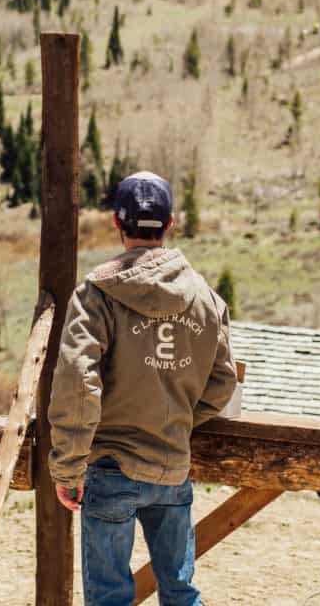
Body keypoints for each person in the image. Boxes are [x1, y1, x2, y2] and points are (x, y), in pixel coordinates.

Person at [47, 171, 237, 606]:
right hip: (173, 466)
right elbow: (222, 382)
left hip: (111, 465)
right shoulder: (206, 298)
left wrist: (68, 468)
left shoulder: (97, 294)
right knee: (181, 593)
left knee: (109, 597)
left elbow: (78, 384)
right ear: (171, 224)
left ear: (118, 223)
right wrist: (179, 419)